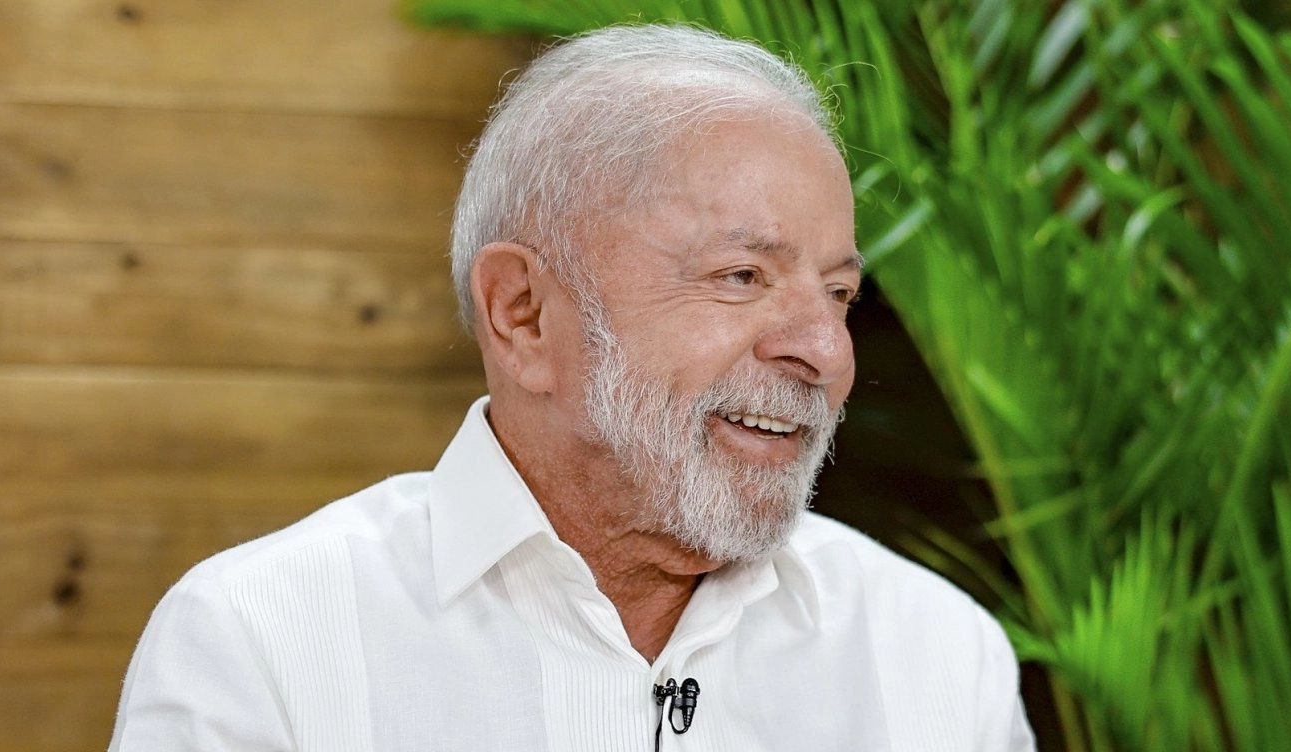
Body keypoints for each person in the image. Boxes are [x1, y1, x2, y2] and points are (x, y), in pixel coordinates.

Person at [108, 23, 1036, 751]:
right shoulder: (263, 642)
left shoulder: (938, 656)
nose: (825, 351)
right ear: (523, 316)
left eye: (839, 294)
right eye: (741, 277)